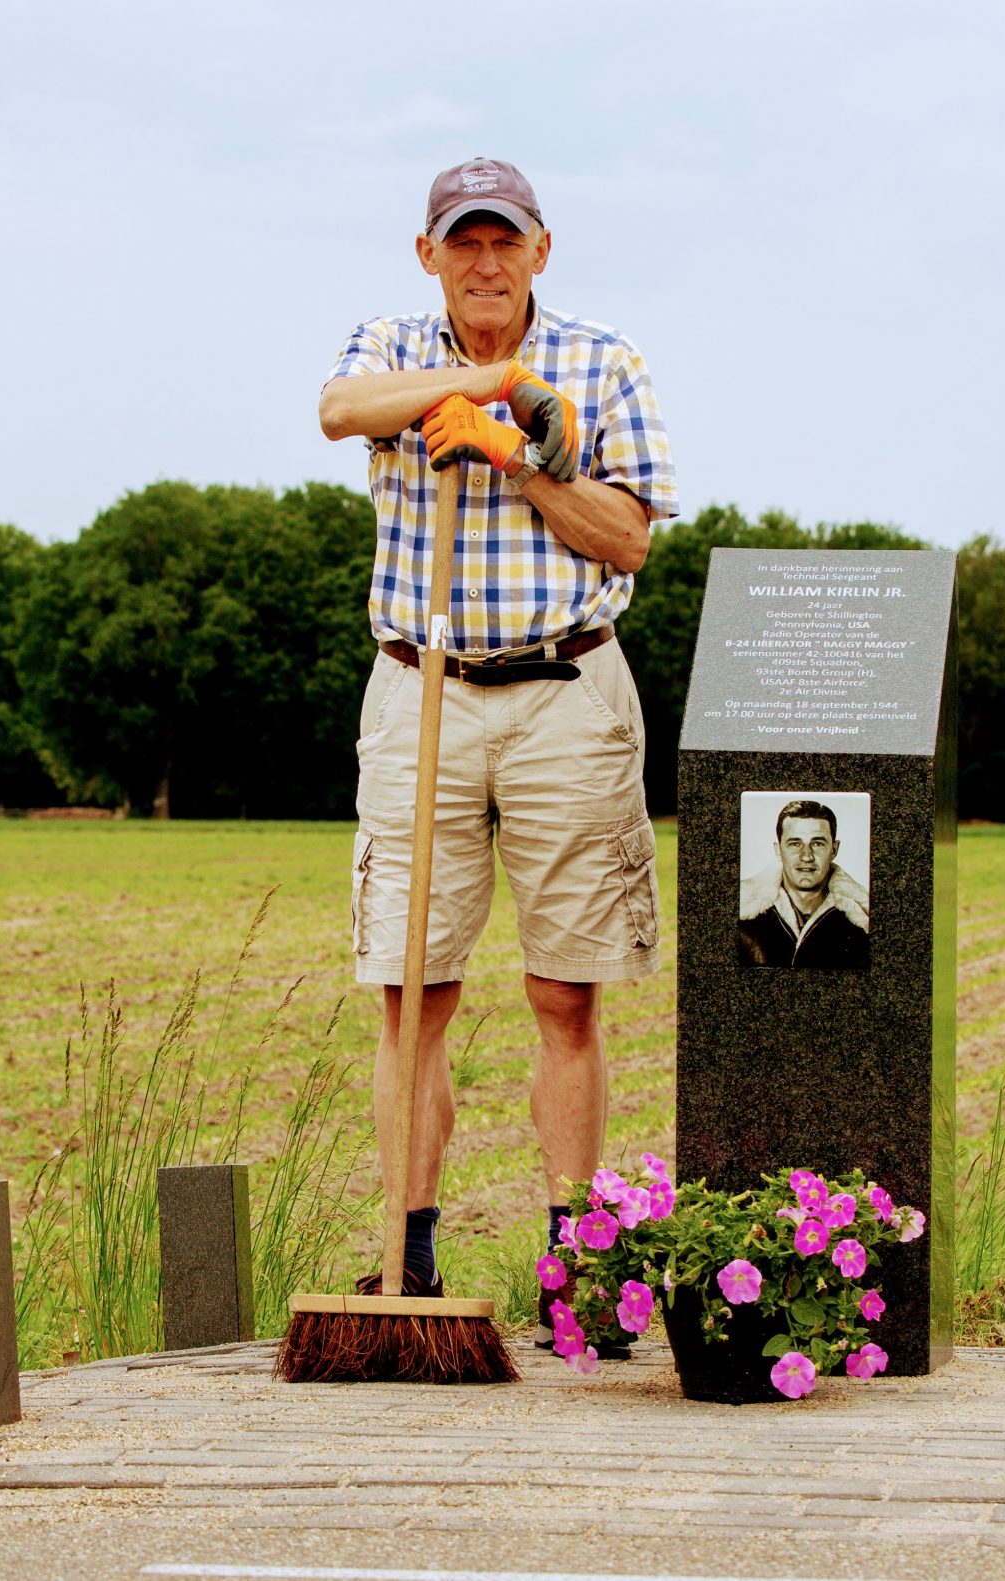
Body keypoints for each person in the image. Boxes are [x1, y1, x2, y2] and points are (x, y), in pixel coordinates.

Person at [317, 158, 674, 1332]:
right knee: (411, 992)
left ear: (539, 250)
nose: (484, 262)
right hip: (421, 687)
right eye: (463, 243)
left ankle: (582, 1271)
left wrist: (516, 450)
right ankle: (404, 1259)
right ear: (430, 254)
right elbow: (336, 411)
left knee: (565, 993)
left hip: (564, 692)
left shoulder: (606, 362)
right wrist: (471, 388)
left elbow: (624, 542)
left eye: (504, 242)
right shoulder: (391, 339)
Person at [736, 800, 871, 969]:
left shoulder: (865, 919)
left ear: (834, 850)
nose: (806, 856)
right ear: (778, 851)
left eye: (817, 844)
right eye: (795, 844)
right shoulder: (740, 915)